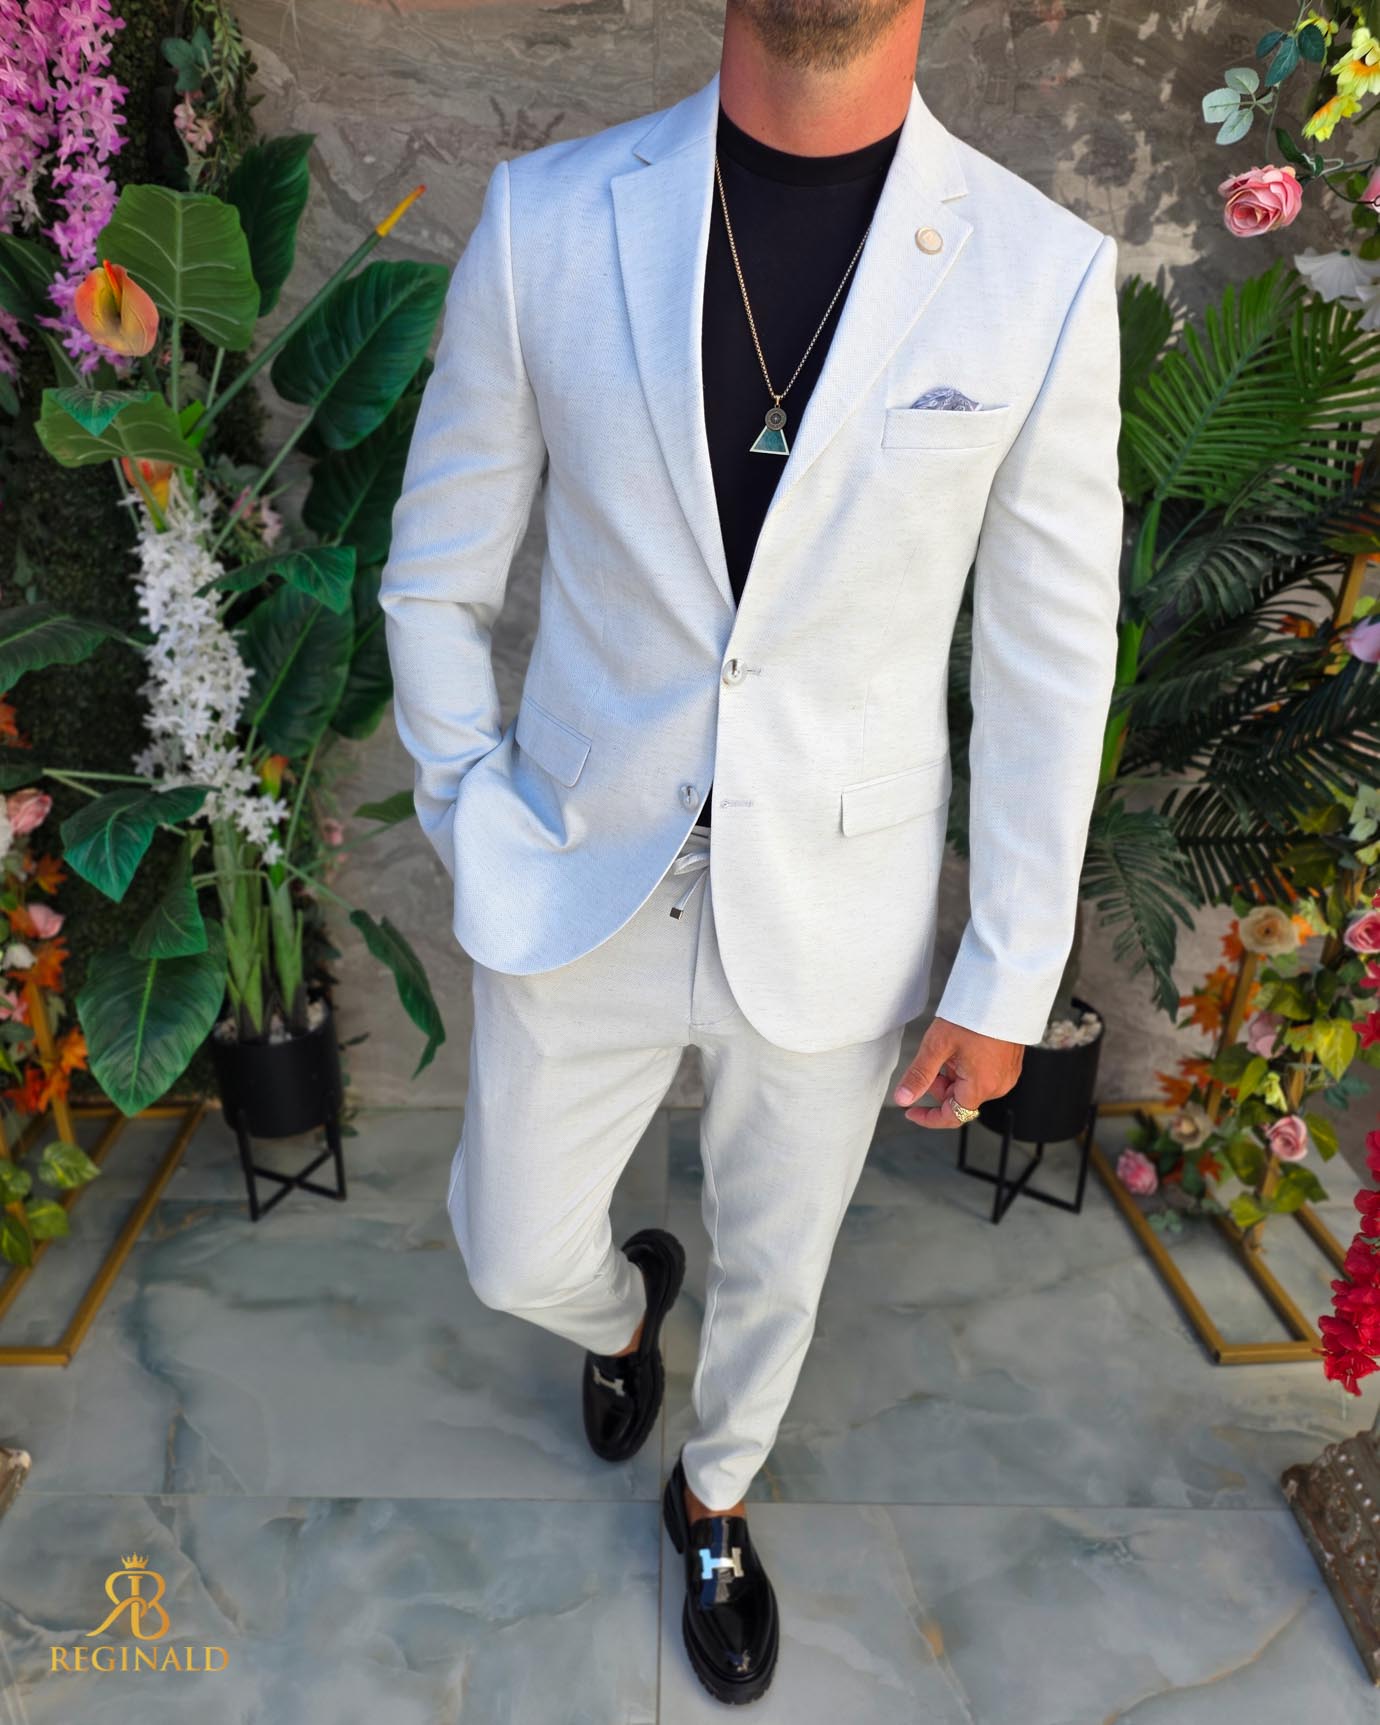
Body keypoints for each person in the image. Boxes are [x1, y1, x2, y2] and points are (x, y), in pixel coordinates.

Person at [380, 0, 1122, 1702]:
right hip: (581, 865)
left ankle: (711, 1498)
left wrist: (1008, 966)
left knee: (784, 1270)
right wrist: (466, 808)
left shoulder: (1038, 272)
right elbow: (436, 568)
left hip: (842, 896)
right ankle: (622, 1316)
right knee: (511, 1244)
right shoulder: (550, 220)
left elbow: (1047, 664)